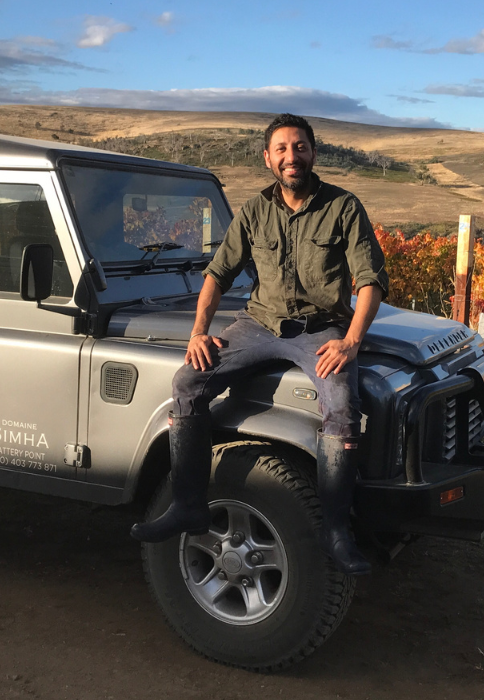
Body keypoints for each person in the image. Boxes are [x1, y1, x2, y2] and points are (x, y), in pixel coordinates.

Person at [130, 114, 389, 576]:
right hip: (259, 323)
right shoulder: (253, 211)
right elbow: (216, 274)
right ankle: (189, 503)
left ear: (313, 152)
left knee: (342, 404)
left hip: (321, 328)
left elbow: (370, 281)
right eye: (283, 149)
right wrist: (198, 332)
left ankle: (336, 532)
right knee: (188, 380)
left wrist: (350, 342)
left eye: (301, 147)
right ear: (268, 158)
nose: (293, 157)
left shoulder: (344, 207)